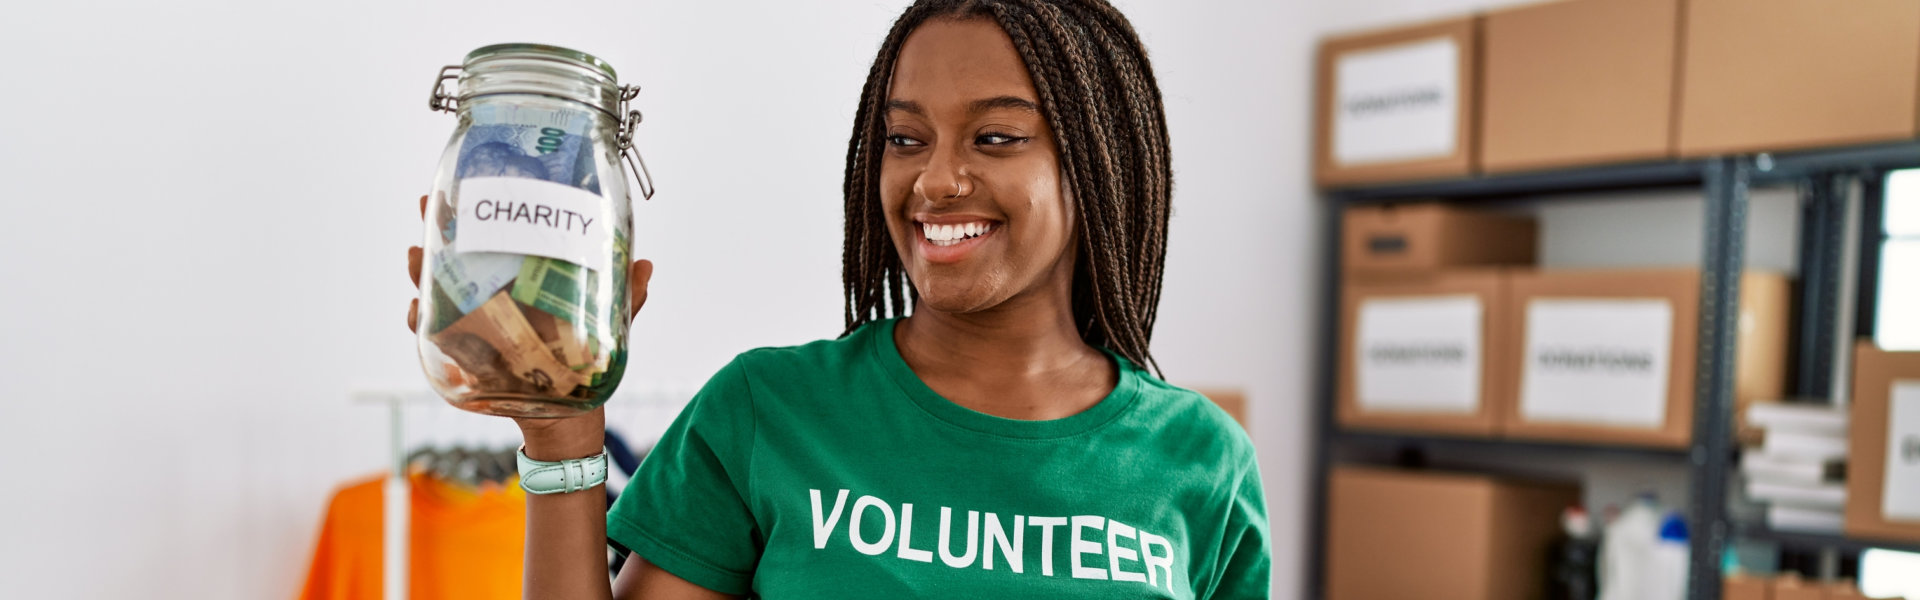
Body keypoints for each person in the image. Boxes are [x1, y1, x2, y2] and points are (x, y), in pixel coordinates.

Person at [406, 0, 1269, 597]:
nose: (935, 179)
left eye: (996, 137)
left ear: (1101, 164)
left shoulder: (1204, 463)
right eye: (904, 138)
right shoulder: (767, 412)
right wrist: (563, 430)